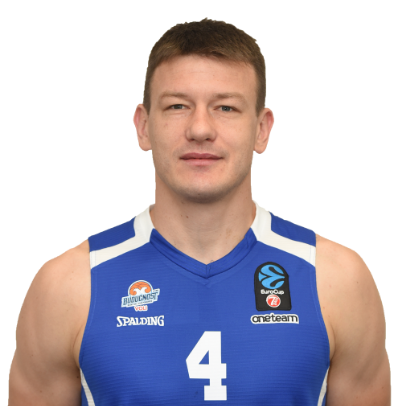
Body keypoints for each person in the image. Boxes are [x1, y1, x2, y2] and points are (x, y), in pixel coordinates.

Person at [9, 18, 390, 406]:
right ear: (143, 126)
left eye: (226, 107)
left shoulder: (336, 280)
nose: (200, 129)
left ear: (262, 129)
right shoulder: (68, 286)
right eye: (177, 106)